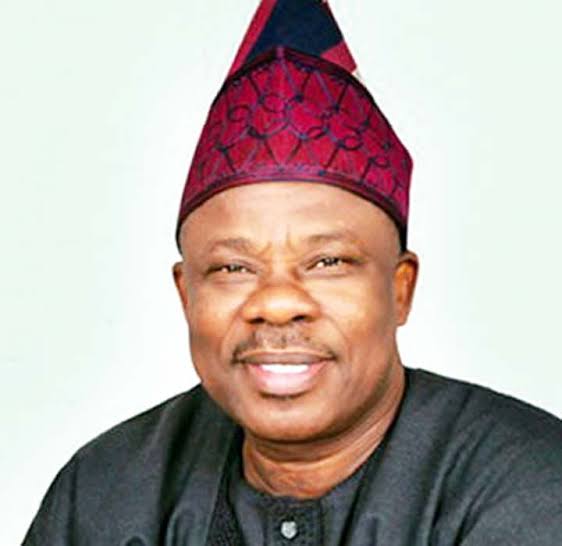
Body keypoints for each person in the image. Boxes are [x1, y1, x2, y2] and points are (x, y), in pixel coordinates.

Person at [23, 1, 562, 544]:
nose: (278, 304)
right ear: (187, 295)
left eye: (328, 262)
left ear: (400, 289)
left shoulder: (532, 487)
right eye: (233, 267)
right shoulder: (106, 490)